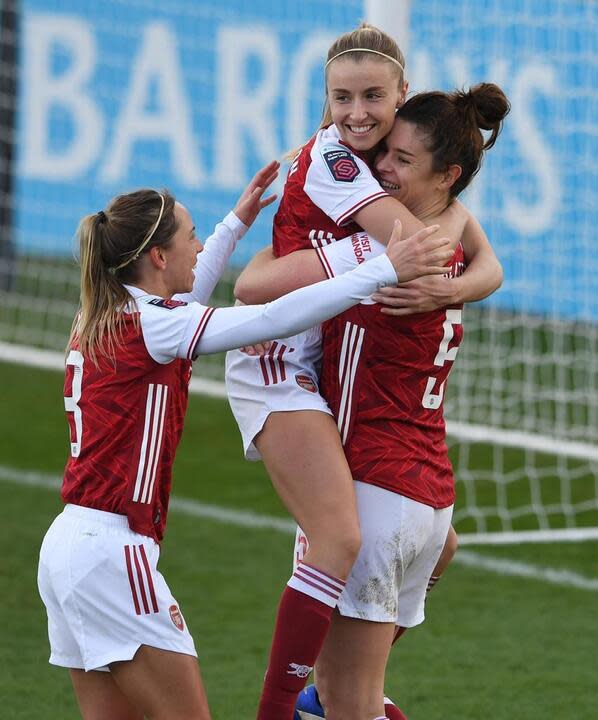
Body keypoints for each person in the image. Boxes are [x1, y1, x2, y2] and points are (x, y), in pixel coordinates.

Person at [36, 158, 453, 720]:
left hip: (64, 550)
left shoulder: (106, 314)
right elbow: (273, 318)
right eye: (191, 236)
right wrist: (380, 270)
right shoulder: (156, 327)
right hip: (114, 555)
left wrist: (237, 222)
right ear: (158, 258)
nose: (200, 243)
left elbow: (188, 289)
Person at [225, 23, 503, 720]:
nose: (361, 120)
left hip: (373, 471)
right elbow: (468, 253)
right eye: (340, 99)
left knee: (341, 553)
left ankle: (288, 708)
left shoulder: (395, 234)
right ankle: (319, 698)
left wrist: (426, 274)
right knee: (356, 641)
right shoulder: (399, 202)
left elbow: (256, 286)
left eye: (374, 98)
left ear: (400, 94)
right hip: (418, 490)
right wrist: (454, 275)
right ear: (324, 100)